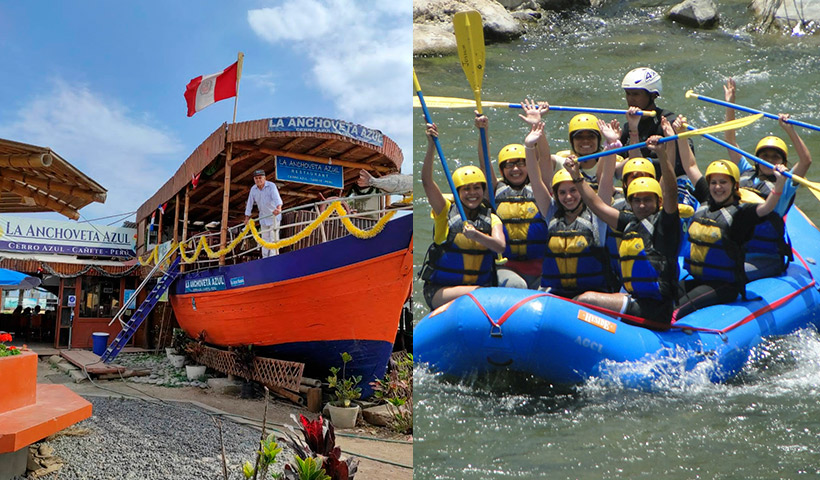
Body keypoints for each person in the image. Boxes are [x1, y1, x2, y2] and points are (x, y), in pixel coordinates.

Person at [565, 117, 682, 327]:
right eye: (637, 200)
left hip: (655, 309)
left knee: (585, 300)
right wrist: (576, 177)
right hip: (635, 300)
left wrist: (663, 155)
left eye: (648, 200)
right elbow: (598, 206)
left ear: (659, 201)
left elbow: (671, 191)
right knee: (586, 300)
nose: (642, 205)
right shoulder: (630, 222)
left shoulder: (666, 223)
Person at [675, 154, 787, 321]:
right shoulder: (707, 202)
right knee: (664, 295)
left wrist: (780, 182)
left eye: (723, 183)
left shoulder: (741, 214)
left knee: (677, 309)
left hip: (724, 285)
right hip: (697, 279)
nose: (717, 187)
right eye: (713, 182)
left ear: (735, 186)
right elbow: (691, 166)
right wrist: (680, 134)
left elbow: (766, 208)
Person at [722, 77, 812, 280]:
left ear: (783, 161)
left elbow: (806, 161)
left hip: (765, 258)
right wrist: (730, 103)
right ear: (757, 159)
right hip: (738, 249)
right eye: (765, 157)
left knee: (728, 274)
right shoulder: (745, 171)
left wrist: (789, 130)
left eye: (775, 157)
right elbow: (730, 140)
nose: (769, 161)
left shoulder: (786, 182)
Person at [523, 114, 618, 299]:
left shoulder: (597, 214)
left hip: (591, 295)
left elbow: (606, 181)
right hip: (557, 295)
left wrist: (610, 145)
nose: (568, 197)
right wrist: (528, 147)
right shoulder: (551, 212)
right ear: (556, 195)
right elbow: (535, 180)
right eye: (562, 192)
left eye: (573, 191)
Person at [419, 123, 505, 310]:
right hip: (441, 291)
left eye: (477, 188)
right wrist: (431, 145)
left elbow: (500, 245)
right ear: (457, 193)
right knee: (477, 292)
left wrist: (476, 235)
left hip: (480, 290)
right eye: (466, 189)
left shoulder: (491, 217)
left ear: (483, 190)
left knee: (480, 292)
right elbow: (426, 182)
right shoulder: (445, 212)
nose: (472, 193)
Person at [474, 100, 551, 289]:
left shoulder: (540, 188)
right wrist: (482, 131)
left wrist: (536, 126)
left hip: (541, 266)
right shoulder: (494, 191)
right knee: (517, 286)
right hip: (507, 267)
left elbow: (545, 160)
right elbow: (484, 164)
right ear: (502, 170)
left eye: (520, 163)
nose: (515, 169)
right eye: (509, 165)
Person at [244, 169, 283, 257]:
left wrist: (279, 208)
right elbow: (249, 203)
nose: (258, 180)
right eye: (256, 178)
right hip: (263, 217)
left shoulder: (271, 186)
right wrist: (247, 217)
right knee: (264, 239)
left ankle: (274, 257)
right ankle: (265, 258)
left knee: (273, 238)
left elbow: (277, 198)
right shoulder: (253, 189)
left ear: (264, 178)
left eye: (260, 178)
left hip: (274, 216)